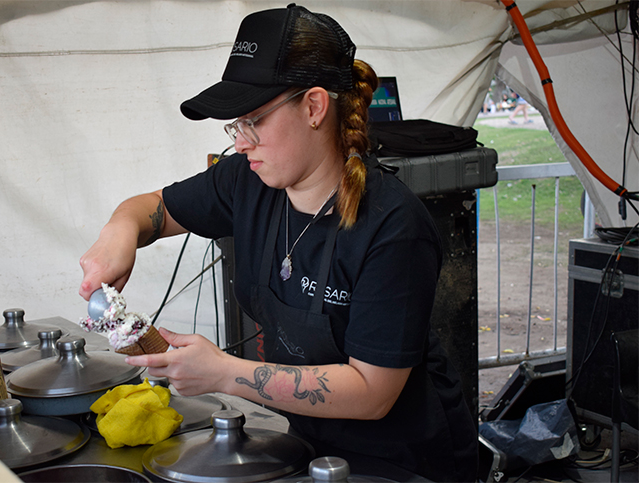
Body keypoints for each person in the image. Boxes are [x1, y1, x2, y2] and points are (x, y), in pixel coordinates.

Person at [79, 5, 478, 481]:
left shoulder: (393, 227)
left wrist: (226, 373)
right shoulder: (247, 181)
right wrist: (118, 234)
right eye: (235, 125)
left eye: (253, 121)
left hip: (400, 459)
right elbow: (151, 208)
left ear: (313, 107)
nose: (240, 142)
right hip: (306, 441)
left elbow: (372, 393)